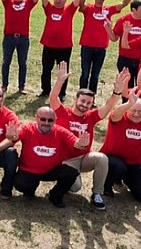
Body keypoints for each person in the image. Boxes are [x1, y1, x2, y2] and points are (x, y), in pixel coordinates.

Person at [48, 62, 121, 211]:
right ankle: (65, 179)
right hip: (67, 160)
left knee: (102, 158)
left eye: (89, 103)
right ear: (76, 100)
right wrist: (60, 80)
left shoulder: (91, 117)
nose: (85, 104)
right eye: (82, 101)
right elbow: (53, 97)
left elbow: (108, 106)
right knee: (75, 188)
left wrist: (116, 92)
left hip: (84, 157)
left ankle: (97, 194)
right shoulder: (63, 112)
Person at [0, 106, 91, 208]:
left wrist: (82, 143)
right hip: (30, 170)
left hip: (52, 170)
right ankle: (30, 189)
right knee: (20, 184)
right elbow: (15, 136)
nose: (46, 123)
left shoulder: (61, 132)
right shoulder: (28, 129)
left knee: (71, 173)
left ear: (55, 121)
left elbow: (75, 142)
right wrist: (11, 136)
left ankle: (56, 195)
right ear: (36, 118)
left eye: (50, 120)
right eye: (43, 119)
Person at [76, 0, 136, 93]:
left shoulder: (108, 10)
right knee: (85, 73)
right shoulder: (89, 8)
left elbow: (123, 4)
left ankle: (91, 96)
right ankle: (81, 95)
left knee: (95, 75)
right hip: (87, 46)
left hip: (101, 47)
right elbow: (81, 5)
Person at [38, 0, 88, 101]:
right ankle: (45, 90)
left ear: (65, 0)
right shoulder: (49, 8)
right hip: (48, 45)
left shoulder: (69, 9)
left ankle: (62, 93)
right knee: (46, 69)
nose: (58, 1)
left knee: (63, 71)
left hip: (64, 46)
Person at [0, 0, 44, 95]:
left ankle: (21, 86)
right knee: (6, 62)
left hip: (23, 39)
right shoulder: (8, 2)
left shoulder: (28, 3)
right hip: (9, 38)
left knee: (22, 63)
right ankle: (4, 85)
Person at [111, 0, 141, 84]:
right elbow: (114, 38)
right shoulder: (123, 20)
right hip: (125, 60)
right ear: (134, 10)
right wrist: (108, 29)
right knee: (126, 86)